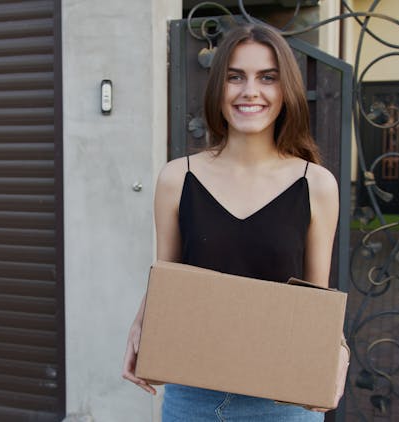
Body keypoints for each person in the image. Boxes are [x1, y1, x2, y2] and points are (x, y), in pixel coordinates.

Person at [122, 23, 349, 421]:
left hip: (284, 403)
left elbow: (317, 301)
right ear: (218, 88)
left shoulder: (317, 185)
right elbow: (168, 278)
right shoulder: (178, 178)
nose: (250, 91)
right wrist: (142, 323)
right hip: (192, 398)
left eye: (267, 78)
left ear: (286, 91)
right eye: (235, 77)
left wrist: (340, 351)